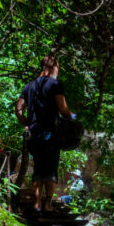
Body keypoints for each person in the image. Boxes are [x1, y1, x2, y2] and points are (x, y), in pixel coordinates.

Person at [15, 53, 74, 212]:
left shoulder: (29, 86)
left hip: (34, 134)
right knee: (50, 169)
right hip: (50, 134)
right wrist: (72, 117)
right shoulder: (55, 85)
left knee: (38, 168)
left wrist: (27, 124)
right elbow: (62, 109)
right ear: (54, 67)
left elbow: (19, 109)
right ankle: (47, 204)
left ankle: (36, 204)